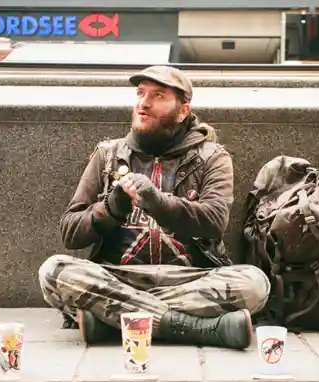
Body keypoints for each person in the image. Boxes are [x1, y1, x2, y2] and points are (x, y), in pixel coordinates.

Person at [38, 66, 270, 350]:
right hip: (118, 278)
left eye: (158, 95)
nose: (143, 103)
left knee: (255, 283)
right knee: (53, 271)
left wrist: (158, 202)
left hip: (189, 281)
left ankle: (113, 320)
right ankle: (196, 327)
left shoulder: (212, 157)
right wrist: (111, 207)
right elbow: (71, 232)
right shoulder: (108, 154)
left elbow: (214, 220)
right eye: (140, 93)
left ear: (183, 111)